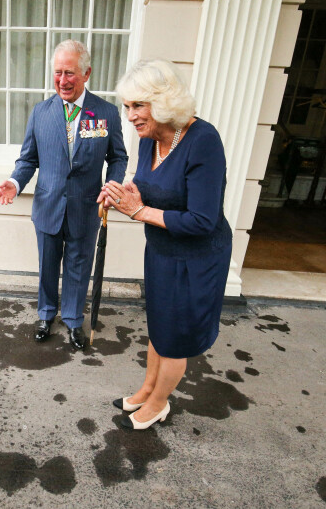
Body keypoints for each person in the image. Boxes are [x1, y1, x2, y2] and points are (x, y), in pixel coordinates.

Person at [101, 59, 232, 430]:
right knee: (160, 327)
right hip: (161, 251)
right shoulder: (150, 137)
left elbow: (203, 220)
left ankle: (158, 404)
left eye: (138, 106)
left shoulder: (203, 141)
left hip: (196, 258)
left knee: (175, 337)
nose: (130, 116)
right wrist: (123, 193)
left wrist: (139, 211)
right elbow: (152, 187)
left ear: (163, 102)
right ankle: (146, 390)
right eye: (127, 106)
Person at [0, 40, 128, 350]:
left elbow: (118, 157)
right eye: (58, 73)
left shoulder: (106, 113)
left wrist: (112, 185)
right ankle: (45, 314)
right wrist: (15, 183)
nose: (63, 80)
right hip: (48, 204)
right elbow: (28, 159)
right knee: (47, 266)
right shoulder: (40, 112)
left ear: (86, 73)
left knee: (79, 267)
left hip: (87, 206)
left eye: (70, 73)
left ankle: (72, 319)